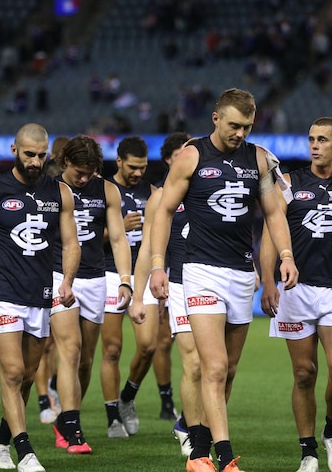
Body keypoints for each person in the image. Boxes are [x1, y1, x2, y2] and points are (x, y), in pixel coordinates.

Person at [149, 88, 299, 472]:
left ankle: (202, 447)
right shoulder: (191, 157)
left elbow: (274, 214)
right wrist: (157, 264)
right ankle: (221, 456)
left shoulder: (260, 159)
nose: (240, 134)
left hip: (240, 275)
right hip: (201, 273)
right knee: (212, 367)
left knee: (227, 370)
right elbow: (164, 211)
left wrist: (285, 256)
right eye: (234, 125)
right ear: (215, 118)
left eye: (247, 127)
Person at [260, 117, 332, 472]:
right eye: (311, 138)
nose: (315, 145)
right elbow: (271, 230)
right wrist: (268, 280)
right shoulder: (290, 182)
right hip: (296, 290)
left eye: (323, 140)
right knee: (303, 374)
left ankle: (331, 433)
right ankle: (308, 451)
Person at [0, 123, 79, 472]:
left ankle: (0, 442)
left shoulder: (60, 193)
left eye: (41, 156)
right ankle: (25, 452)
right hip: (4, 292)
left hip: (41, 293)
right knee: (11, 372)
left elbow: (71, 243)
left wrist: (67, 281)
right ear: (14, 150)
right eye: (29, 154)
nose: (35, 161)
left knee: (27, 376)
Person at [50, 135, 132, 450]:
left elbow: (118, 239)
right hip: (59, 276)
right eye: (78, 172)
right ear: (64, 162)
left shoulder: (107, 190)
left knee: (85, 360)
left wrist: (125, 278)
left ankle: (65, 419)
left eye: (89, 172)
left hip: (96, 279)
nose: (84, 178)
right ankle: (74, 430)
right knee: (69, 351)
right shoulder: (50, 190)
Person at [129, 132, 195, 456]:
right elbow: (146, 251)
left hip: (220, 283)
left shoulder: (209, 189)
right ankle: (188, 427)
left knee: (224, 367)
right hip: (181, 284)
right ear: (170, 160)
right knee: (192, 361)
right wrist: (139, 296)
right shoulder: (160, 199)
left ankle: (192, 421)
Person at [102, 136, 156, 438]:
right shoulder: (106, 190)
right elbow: (85, 233)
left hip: (143, 275)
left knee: (148, 346)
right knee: (111, 348)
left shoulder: (153, 193)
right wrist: (116, 228)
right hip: (110, 273)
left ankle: (127, 398)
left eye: (143, 167)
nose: (138, 173)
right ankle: (112, 417)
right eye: (133, 167)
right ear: (119, 161)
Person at [34, 135, 70, 425]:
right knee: (44, 343)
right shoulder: (45, 184)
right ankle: (44, 397)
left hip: (59, 269)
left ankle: (54, 390)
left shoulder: (68, 188)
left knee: (59, 344)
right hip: (41, 266)